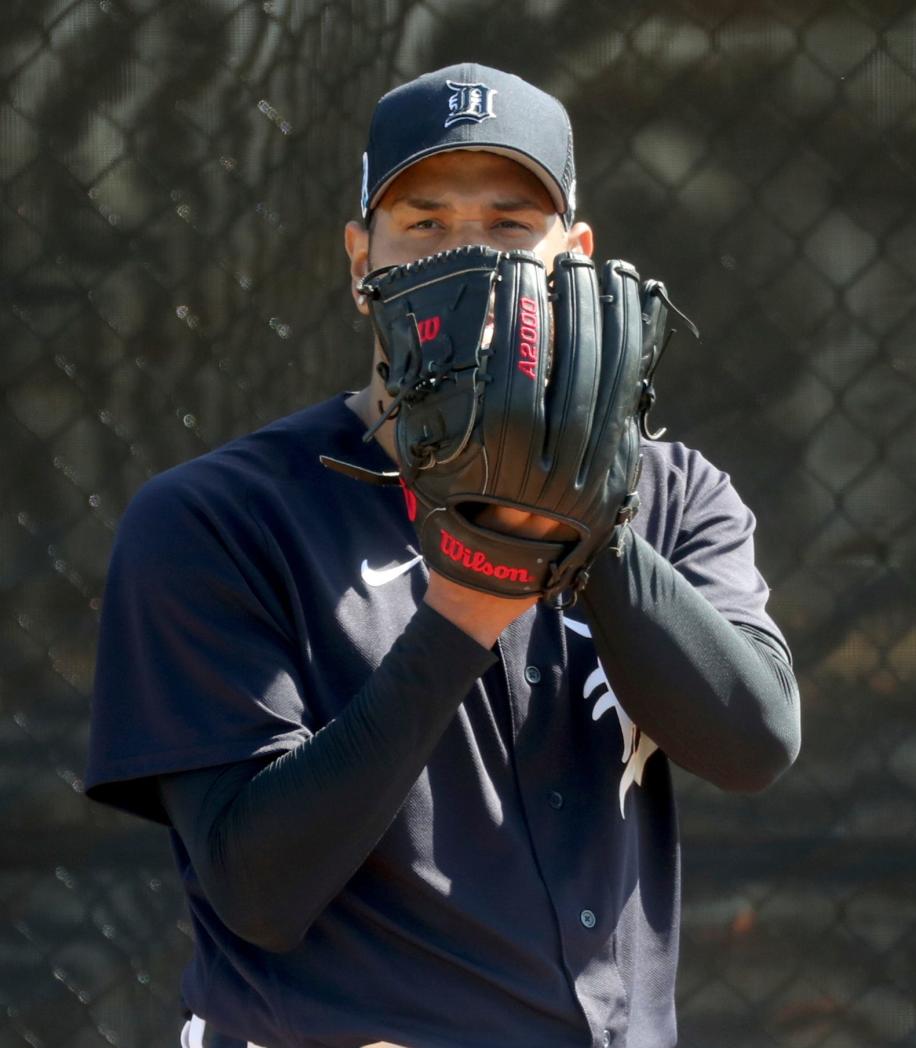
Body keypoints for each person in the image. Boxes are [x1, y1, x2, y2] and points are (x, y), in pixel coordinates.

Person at [85, 63, 801, 1048]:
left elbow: (755, 740)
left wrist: (590, 529)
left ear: (576, 255)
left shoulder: (673, 493)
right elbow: (256, 886)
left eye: (511, 225)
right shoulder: (215, 519)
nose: (471, 256)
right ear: (359, 261)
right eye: (425, 224)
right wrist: (472, 602)